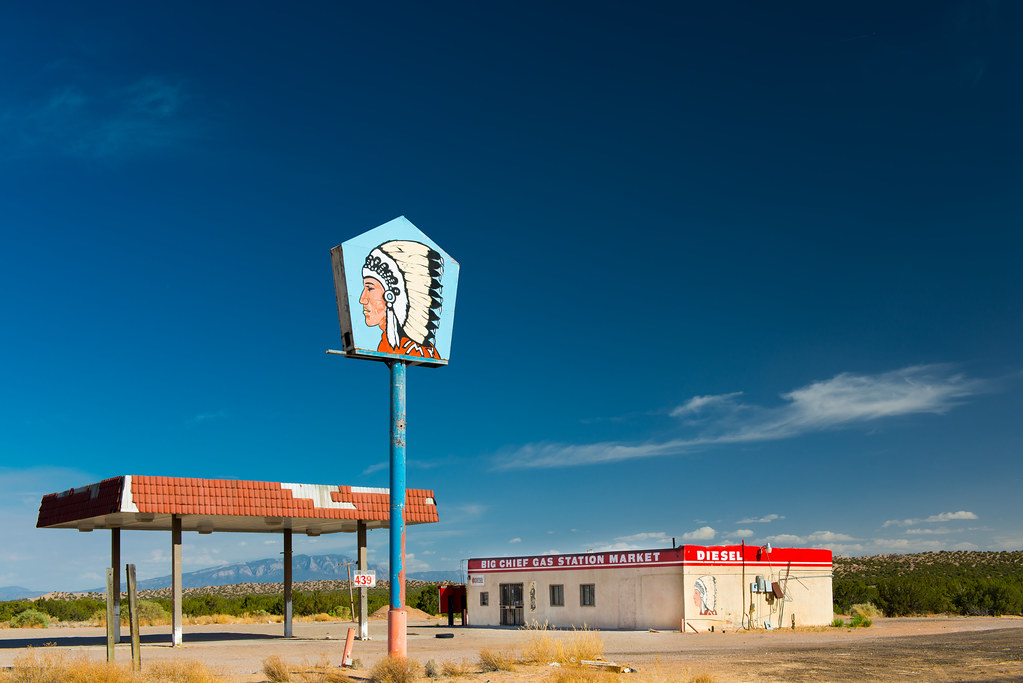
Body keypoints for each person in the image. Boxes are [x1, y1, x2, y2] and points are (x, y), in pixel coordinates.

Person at [360, 240, 444, 359]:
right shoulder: (387, 344)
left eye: (370, 288)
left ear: (392, 295)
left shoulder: (414, 350)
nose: (362, 299)